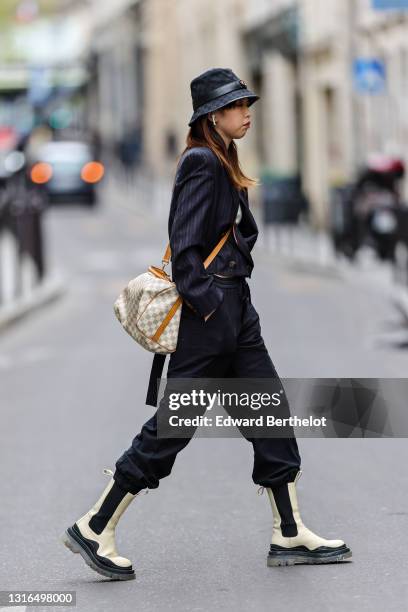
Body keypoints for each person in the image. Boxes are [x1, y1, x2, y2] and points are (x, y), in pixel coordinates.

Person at [61, 68, 352, 580]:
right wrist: (212, 307)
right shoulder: (201, 162)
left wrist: (231, 300)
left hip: (237, 313)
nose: (247, 112)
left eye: (246, 103)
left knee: (270, 415)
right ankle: (94, 525)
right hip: (212, 318)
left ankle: (289, 532)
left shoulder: (223, 157)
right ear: (214, 115)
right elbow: (185, 248)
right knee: (170, 432)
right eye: (239, 105)